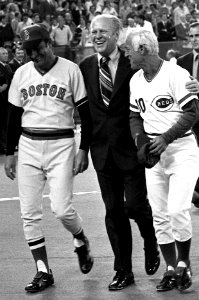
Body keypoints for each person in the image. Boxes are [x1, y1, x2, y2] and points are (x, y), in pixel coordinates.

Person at [4, 24, 94, 293]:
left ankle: (80, 238)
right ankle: (43, 270)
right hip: (29, 144)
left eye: (38, 48)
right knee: (29, 214)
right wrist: (10, 153)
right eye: (28, 50)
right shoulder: (21, 73)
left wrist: (83, 149)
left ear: (49, 43)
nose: (34, 55)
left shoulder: (70, 69)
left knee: (62, 209)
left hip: (62, 144)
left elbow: (86, 116)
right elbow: (12, 116)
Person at [79, 15, 160, 292]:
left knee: (136, 206)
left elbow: (156, 81)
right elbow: (86, 116)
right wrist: (83, 149)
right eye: (93, 32)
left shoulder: (131, 62)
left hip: (132, 148)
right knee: (113, 212)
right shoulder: (85, 67)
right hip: (101, 152)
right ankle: (123, 270)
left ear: (117, 35)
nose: (96, 36)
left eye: (102, 31)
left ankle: (151, 241)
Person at [125, 28, 199, 293]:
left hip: (181, 147)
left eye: (128, 49)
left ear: (142, 49)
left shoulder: (175, 74)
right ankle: (170, 268)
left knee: (178, 209)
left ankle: (184, 262)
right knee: (159, 215)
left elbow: (192, 113)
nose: (126, 54)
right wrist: (140, 141)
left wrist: (166, 138)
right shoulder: (135, 80)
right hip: (155, 151)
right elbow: (135, 116)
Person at [177, 21, 199, 208]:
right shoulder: (182, 61)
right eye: (191, 36)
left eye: (197, 35)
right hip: (191, 119)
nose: (194, 39)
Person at [0, 47, 13, 154]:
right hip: (1, 100)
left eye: (6, 53)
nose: (6, 55)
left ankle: (5, 144)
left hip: (8, 99)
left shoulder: (8, 66)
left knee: (7, 123)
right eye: (3, 53)